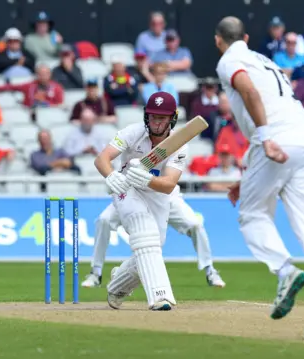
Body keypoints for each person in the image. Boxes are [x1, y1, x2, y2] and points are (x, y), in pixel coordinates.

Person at [214, 16, 304, 338]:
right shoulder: (263, 59)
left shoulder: (230, 60)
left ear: (218, 40)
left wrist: (267, 137)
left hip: (277, 141)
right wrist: (250, 177)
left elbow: (249, 92)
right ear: (247, 36)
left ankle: (285, 271)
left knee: (252, 214)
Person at [94, 91, 187, 311]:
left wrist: (147, 179)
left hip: (157, 195)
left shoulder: (179, 144)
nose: (156, 122)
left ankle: (117, 285)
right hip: (126, 189)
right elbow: (102, 159)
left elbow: (169, 185)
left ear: (172, 118)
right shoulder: (132, 132)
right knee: (145, 235)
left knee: (152, 246)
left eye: (162, 118)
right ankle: (160, 296)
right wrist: (111, 175)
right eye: (153, 116)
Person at [80, 187, 226, 288]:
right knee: (103, 220)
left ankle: (210, 271)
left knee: (195, 225)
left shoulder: (171, 147)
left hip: (165, 198)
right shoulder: (131, 143)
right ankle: (96, 273)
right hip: (131, 198)